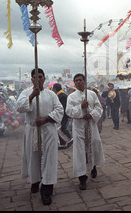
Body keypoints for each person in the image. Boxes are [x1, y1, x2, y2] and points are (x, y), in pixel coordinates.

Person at [16, 69, 64, 205]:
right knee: (33, 157)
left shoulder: (51, 94)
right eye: (35, 77)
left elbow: (59, 110)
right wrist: (31, 96)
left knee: (49, 158)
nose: (38, 79)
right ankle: (35, 180)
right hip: (32, 130)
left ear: (44, 78)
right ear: (31, 79)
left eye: (41, 77)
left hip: (48, 129)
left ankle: (47, 189)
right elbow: (19, 108)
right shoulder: (25, 93)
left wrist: (47, 119)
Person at [66, 74, 105, 191]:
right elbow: (68, 111)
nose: (78, 82)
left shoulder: (92, 94)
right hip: (79, 126)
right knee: (80, 151)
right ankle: (82, 177)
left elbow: (99, 108)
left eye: (80, 80)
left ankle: (93, 166)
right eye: (76, 80)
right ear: (74, 83)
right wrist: (81, 108)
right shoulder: (71, 97)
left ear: (84, 81)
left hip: (91, 125)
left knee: (94, 145)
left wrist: (91, 114)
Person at [52, 83, 73, 149]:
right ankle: (63, 143)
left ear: (55, 89)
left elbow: (62, 107)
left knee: (61, 129)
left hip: (63, 115)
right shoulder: (61, 95)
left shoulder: (62, 96)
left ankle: (69, 139)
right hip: (62, 115)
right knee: (61, 128)